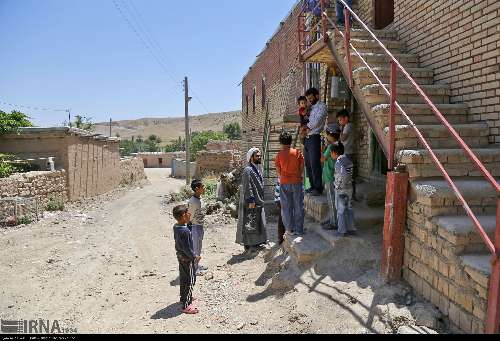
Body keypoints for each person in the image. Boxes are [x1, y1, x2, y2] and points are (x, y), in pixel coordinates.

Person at [236, 147, 268, 254]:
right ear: (251, 158)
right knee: (250, 222)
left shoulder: (257, 169)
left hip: (258, 199)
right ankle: (250, 245)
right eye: (257, 156)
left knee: (257, 221)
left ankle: (258, 242)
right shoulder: (248, 170)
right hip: (252, 200)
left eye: (260, 155)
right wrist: (251, 200)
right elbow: (247, 186)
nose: (259, 157)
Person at [274, 131, 305, 237]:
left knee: (286, 207)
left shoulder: (279, 155)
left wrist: (282, 177)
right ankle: (299, 229)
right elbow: (301, 166)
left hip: (284, 182)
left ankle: (289, 229)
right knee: (298, 205)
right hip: (296, 182)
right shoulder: (297, 152)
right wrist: (298, 175)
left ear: (281, 142)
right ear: (291, 141)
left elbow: (278, 170)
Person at [172, 204, 200, 315]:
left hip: (180, 257)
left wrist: (189, 223)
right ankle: (187, 305)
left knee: (184, 279)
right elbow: (188, 248)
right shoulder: (185, 231)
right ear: (184, 215)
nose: (190, 214)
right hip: (188, 259)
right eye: (188, 212)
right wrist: (195, 257)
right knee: (190, 281)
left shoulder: (176, 226)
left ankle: (184, 298)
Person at [304, 87, 328, 196]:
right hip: (307, 138)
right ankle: (312, 186)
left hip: (314, 137)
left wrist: (306, 127)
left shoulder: (322, 106)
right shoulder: (310, 108)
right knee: (308, 164)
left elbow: (317, 121)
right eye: (308, 99)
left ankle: (318, 188)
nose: (310, 100)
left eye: (311, 98)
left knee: (315, 164)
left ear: (317, 96)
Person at [330, 143, 357, 237]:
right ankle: (351, 228)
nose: (330, 154)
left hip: (341, 190)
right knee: (349, 209)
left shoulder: (338, 162)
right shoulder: (348, 160)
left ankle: (342, 231)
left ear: (334, 152)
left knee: (340, 210)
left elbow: (344, 175)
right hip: (350, 188)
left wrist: (339, 186)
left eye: (331, 153)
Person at [321, 126, 341, 230]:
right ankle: (333, 219)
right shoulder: (339, 145)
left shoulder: (330, 147)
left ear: (330, 136)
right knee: (334, 200)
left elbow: (323, 159)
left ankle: (334, 223)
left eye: (327, 134)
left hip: (330, 177)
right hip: (335, 176)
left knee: (332, 201)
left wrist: (323, 148)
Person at [188, 179, 207, 276]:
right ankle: (194, 269)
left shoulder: (199, 199)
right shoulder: (193, 201)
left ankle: (197, 265)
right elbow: (189, 216)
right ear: (197, 189)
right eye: (202, 187)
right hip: (194, 227)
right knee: (195, 248)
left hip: (200, 226)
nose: (204, 188)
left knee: (199, 247)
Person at [337, 109, 357, 200]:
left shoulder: (348, 126)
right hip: (350, 152)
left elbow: (343, 139)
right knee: (349, 175)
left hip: (347, 153)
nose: (339, 122)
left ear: (346, 118)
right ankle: (351, 195)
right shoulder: (350, 126)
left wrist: (339, 133)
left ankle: (349, 195)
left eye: (340, 119)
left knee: (346, 175)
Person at [274, 178, 285, 245]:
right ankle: (281, 238)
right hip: (280, 198)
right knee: (282, 218)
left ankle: (280, 238)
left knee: (281, 217)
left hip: (279, 198)